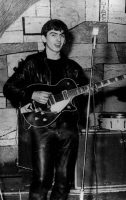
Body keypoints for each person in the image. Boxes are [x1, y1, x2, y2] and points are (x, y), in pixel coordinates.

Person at [3, 19, 88, 200]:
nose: (58, 39)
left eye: (62, 35)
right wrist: (30, 95)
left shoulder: (73, 68)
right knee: (42, 179)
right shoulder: (32, 63)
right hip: (42, 129)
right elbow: (9, 88)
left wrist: (84, 95)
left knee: (64, 181)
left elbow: (83, 98)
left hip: (67, 129)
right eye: (53, 34)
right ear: (44, 38)